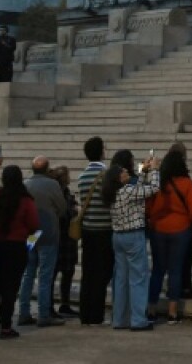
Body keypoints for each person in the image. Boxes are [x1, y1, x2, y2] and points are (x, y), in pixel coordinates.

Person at [101, 150, 159, 331]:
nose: (128, 173)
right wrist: (155, 170)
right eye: (124, 173)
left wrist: (143, 168)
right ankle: (138, 319)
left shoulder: (113, 193)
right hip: (133, 235)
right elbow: (152, 189)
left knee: (121, 278)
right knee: (138, 278)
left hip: (118, 236)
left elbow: (137, 186)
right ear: (120, 178)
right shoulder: (127, 191)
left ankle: (120, 319)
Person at [0, 165, 39, 340]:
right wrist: (28, 246)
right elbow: (35, 226)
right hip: (16, 247)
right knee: (10, 288)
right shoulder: (26, 200)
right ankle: (6, 326)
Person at [147, 149, 192, 324]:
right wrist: (188, 222)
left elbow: (148, 207)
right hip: (180, 230)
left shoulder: (158, 184)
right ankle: (172, 312)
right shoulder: (187, 183)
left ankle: (151, 308)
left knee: (157, 270)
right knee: (176, 270)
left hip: (158, 229)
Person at [18, 156, 68, 327]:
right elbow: (62, 208)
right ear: (47, 169)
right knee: (45, 276)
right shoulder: (52, 185)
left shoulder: (26, 184)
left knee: (28, 273)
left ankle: (23, 311)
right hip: (48, 232)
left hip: (31, 234)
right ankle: (43, 314)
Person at [76, 137, 111, 326]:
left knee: (88, 273)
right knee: (102, 274)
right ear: (101, 151)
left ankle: (85, 313)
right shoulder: (105, 174)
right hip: (104, 229)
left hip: (88, 229)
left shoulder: (82, 177)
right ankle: (96, 314)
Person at [49, 166, 79, 318]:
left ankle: (63, 303)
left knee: (66, 272)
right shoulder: (59, 193)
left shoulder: (65, 192)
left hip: (65, 238)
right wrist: (74, 210)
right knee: (58, 273)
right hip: (62, 237)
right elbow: (66, 212)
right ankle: (55, 304)